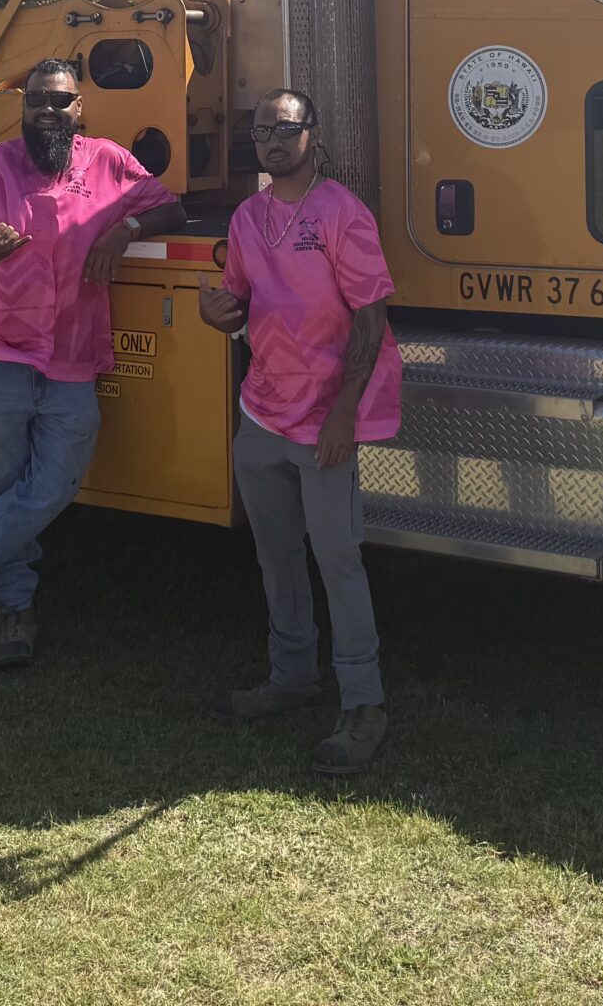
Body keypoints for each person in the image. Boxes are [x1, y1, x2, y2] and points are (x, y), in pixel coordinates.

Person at [0, 58, 186, 669]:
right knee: (4, 492)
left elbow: (173, 210)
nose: (49, 110)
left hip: (73, 358)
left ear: (79, 107)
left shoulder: (108, 161)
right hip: (2, 353)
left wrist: (127, 228)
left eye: (60, 100)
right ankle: (15, 616)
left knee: (53, 486)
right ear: (24, 106)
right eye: (38, 99)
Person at [197, 88, 402, 776]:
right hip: (261, 414)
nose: (272, 141)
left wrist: (345, 412)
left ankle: (364, 704)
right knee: (277, 555)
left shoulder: (343, 213)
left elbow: (370, 318)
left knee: (337, 559)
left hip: (323, 422)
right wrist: (217, 312)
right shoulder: (249, 217)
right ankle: (291, 678)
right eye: (261, 131)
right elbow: (240, 306)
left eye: (285, 128)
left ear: (312, 135)